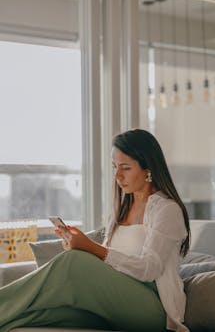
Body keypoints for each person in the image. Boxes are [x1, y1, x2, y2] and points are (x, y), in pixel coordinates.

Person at [0, 129, 190, 332]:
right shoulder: (121, 210)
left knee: (73, 260)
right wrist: (79, 245)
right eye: (114, 167)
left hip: (153, 309)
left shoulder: (167, 210)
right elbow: (109, 264)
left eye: (125, 168)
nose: (117, 175)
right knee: (40, 314)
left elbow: (149, 269)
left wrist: (90, 248)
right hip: (116, 302)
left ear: (148, 169)